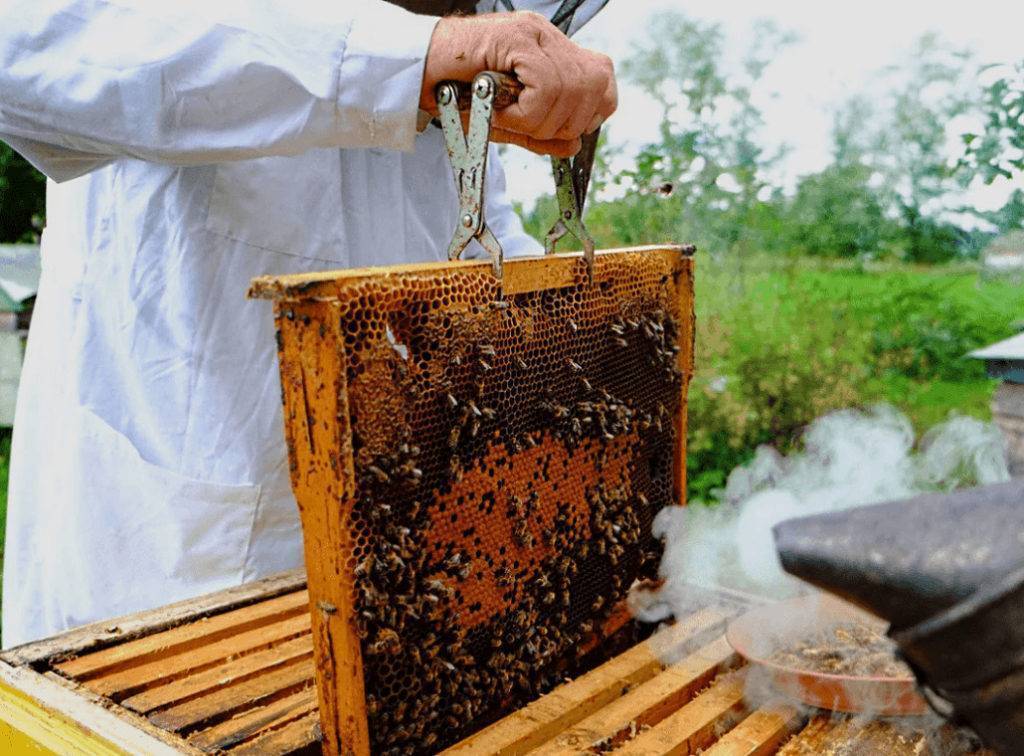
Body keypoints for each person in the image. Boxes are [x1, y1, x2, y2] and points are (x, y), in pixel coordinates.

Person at [0, 0, 616, 647]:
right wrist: (398, 59)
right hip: (167, 578)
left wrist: (561, 330)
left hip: (406, 578)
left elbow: (469, 217)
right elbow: (24, 43)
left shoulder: (458, 40)